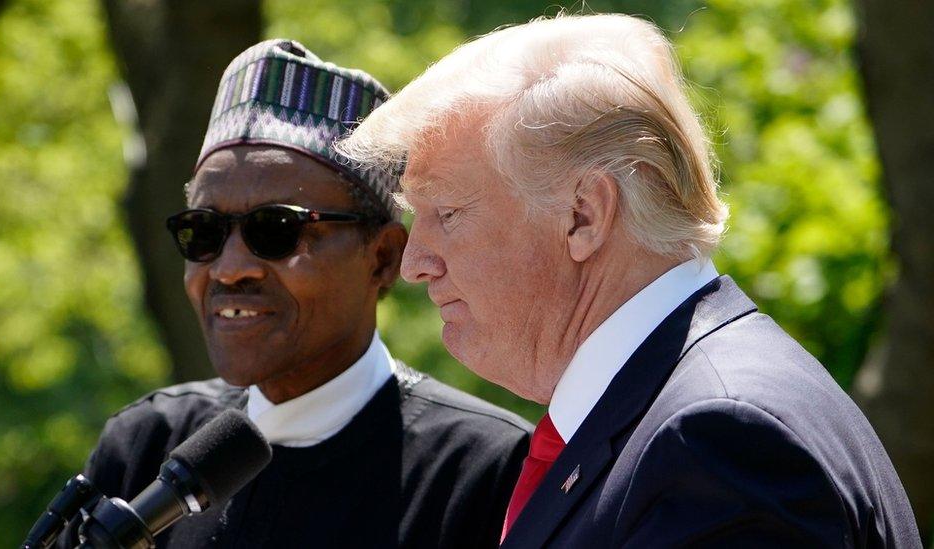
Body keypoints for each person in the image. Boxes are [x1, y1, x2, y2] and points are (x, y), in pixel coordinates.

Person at [337, 13, 922, 548]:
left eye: (448, 214)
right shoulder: (677, 416)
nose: (413, 262)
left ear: (584, 215)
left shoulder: (714, 442)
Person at [57, 39, 530, 548]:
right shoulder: (146, 444)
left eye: (277, 231)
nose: (230, 269)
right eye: (205, 231)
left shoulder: (480, 471)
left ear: (384, 258)